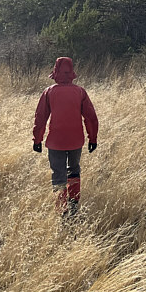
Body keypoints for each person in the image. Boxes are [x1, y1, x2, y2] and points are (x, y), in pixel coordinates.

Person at [32, 57, 99, 216]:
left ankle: (62, 209)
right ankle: (74, 204)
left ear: (56, 71)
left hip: (55, 142)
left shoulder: (49, 92)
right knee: (74, 170)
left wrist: (37, 139)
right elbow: (91, 118)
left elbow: (40, 118)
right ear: (71, 72)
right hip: (76, 140)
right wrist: (93, 138)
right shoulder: (80, 92)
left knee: (58, 173)